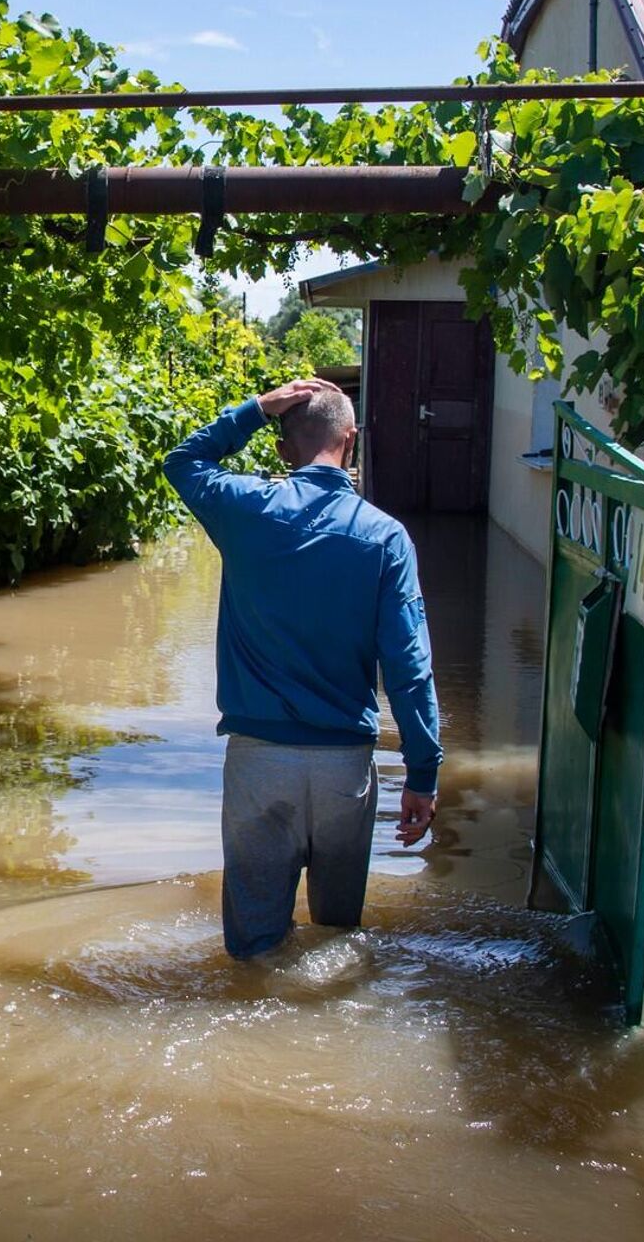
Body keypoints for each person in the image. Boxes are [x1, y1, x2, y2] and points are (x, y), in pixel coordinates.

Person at [164, 378, 441, 960]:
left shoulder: (245, 509)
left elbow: (183, 460)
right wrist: (422, 772)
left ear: (285, 447)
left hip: (259, 762)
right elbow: (410, 671)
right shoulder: (386, 538)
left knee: (254, 948)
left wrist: (256, 409)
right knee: (335, 944)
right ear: (352, 439)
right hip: (346, 769)